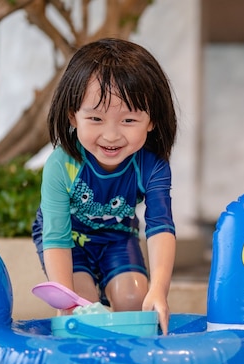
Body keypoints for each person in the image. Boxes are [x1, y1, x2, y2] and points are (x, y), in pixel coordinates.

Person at [31, 38, 177, 335]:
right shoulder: (61, 165)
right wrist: (64, 298)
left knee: (136, 301)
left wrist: (159, 291)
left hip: (117, 236)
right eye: (95, 118)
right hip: (68, 239)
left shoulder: (151, 165)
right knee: (82, 305)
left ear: (151, 121)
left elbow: (161, 226)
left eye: (128, 119)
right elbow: (56, 236)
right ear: (73, 115)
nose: (111, 135)